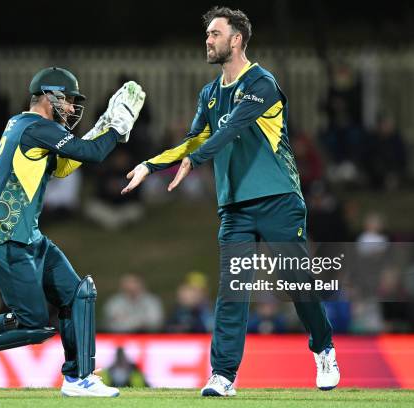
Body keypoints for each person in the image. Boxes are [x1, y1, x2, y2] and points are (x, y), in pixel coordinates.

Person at [122, 7, 339, 396]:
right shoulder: (208, 94)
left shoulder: (262, 82)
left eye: (215, 34)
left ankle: (323, 348)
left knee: (297, 282)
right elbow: (196, 139)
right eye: (207, 34)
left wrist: (195, 160)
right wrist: (150, 165)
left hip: (278, 200)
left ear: (236, 39)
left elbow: (230, 129)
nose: (208, 40)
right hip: (235, 208)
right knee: (232, 289)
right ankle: (223, 376)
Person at [0, 66, 145, 398]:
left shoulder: (26, 126)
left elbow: (66, 166)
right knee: (34, 324)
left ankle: (79, 378)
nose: (70, 108)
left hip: (27, 236)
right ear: (49, 97)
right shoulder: (36, 128)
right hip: (3, 238)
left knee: (78, 294)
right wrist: (117, 128)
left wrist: (101, 127)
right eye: (66, 100)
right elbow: (90, 154)